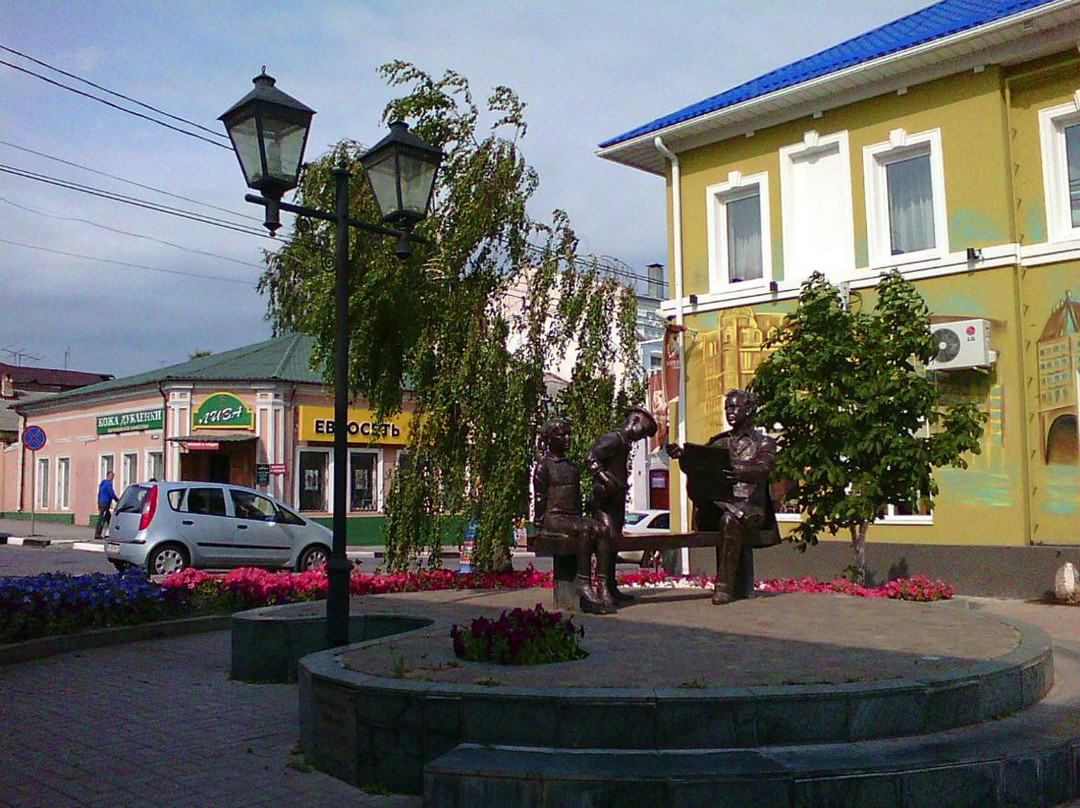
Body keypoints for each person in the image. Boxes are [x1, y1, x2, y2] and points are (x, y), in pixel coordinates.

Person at [667, 389, 778, 604]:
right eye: (727, 408)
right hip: (718, 505)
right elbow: (700, 466)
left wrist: (739, 472)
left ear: (749, 409)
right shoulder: (718, 442)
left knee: (730, 518)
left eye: (734, 407)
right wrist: (684, 457)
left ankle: (724, 587)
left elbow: (764, 468)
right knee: (715, 504)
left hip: (750, 509)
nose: (730, 412)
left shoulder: (763, 443)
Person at [533, 418, 614, 614]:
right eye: (562, 435)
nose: (568, 438)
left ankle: (603, 583)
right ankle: (583, 584)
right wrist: (538, 524)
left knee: (602, 529)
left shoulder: (571, 467)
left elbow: (576, 499)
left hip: (572, 517)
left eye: (569, 434)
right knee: (585, 529)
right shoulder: (544, 466)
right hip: (554, 518)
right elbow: (540, 498)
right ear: (550, 439)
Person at [585, 406, 659, 605]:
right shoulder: (614, 439)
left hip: (616, 498)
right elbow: (590, 457)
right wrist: (605, 479)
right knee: (606, 542)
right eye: (642, 432)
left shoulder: (623, 443)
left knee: (614, 544)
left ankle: (610, 585)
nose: (641, 437)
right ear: (634, 421)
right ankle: (601, 588)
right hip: (605, 501)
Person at [94, 471, 120, 540]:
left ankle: (111, 533)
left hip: (102, 502)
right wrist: (118, 500)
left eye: (113, 477)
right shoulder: (108, 484)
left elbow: (99, 493)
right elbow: (111, 493)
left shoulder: (102, 483)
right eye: (111, 476)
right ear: (108, 476)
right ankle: (97, 534)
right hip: (105, 502)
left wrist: (98, 502)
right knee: (102, 518)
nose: (112, 478)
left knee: (109, 518)